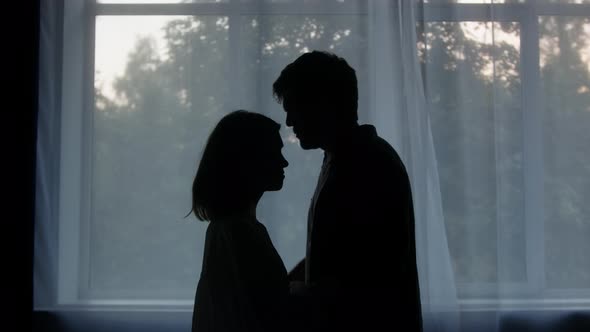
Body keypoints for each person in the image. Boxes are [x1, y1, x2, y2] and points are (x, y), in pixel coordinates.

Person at [273, 51, 423, 332]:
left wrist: (284, 291)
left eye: (295, 108)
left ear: (323, 104)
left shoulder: (365, 166)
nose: (290, 121)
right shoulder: (350, 159)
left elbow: (355, 280)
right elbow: (337, 256)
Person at [190, 110, 291, 332]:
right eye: (274, 153)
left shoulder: (226, 229)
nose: (284, 163)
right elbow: (270, 312)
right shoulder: (239, 232)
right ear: (249, 160)